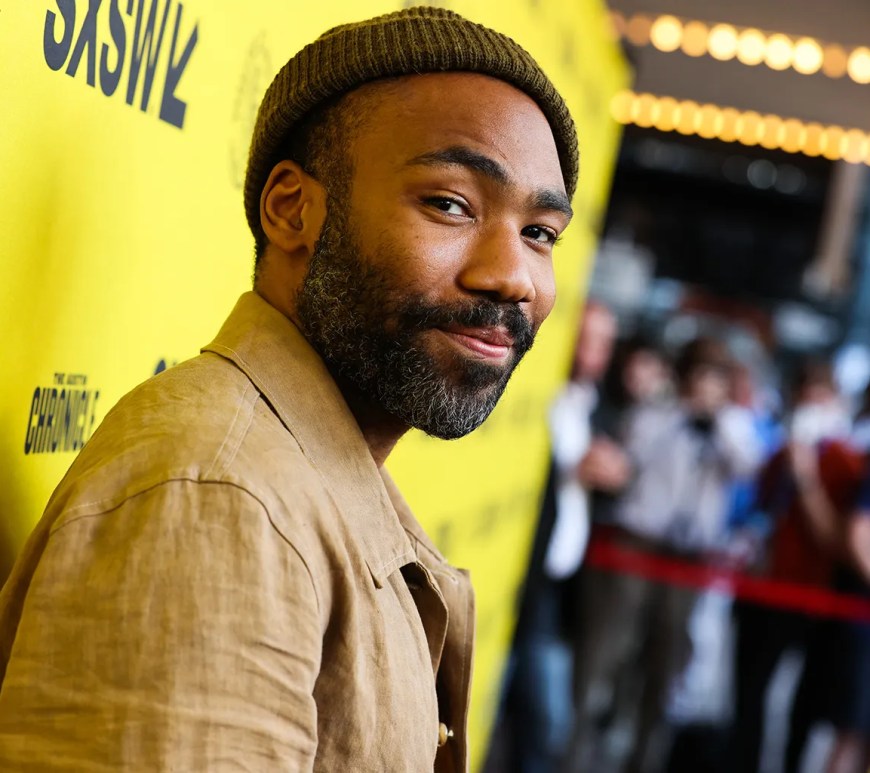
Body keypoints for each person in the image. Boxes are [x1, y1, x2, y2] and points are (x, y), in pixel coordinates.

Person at [0, 8, 578, 771]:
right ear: (291, 209)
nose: (512, 276)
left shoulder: (296, 479)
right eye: (449, 204)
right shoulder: (223, 496)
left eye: (540, 233)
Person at [567, 336, 761, 773]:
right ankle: (577, 753)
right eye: (700, 374)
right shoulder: (658, 410)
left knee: (666, 663)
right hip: (636, 545)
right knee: (608, 649)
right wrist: (682, 413)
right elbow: (632, 456)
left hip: (691, 559)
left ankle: (644, 758)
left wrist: (715, 419)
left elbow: (747, 465)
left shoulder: (733, 424)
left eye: (716, 377)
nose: (707, 385)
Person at [503, 300, 631, 772]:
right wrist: (567, 471)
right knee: (532, 717)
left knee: (540, 724)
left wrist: (617, 477)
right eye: (588, 337)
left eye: (605, 341)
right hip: (518, 578)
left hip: (560, 589)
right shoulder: (537, 396)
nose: (596, 351)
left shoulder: (596, 407)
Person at [731, 358, 862, 773]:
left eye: (820, 399)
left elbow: (835, 537)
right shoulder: (778, 453)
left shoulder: (845, 462)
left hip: (808, 596)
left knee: (801, 705)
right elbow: (755, 507)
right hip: (761, 586)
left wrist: (806, 478)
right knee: (749, 693)